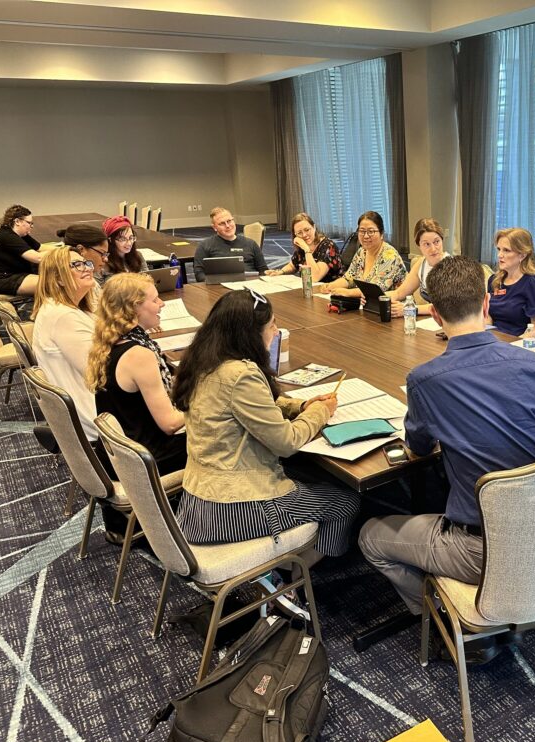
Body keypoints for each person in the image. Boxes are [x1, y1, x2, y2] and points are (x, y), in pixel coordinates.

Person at [358, 255, 535, 619]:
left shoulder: (424, 380)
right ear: (486, 305)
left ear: (434, 314)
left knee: (370, 536)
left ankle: (438, 618)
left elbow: (418, 448)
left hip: (478, 550)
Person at [170, 290, 360, 556]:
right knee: (346, 501)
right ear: (251, 333)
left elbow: (246, 407)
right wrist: (320, 411)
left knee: (311, 476)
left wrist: (301, 406)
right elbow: (287, 442)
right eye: (271, 324)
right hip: (233, 509)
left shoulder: (205, 361)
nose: (276, 330)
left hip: (198, 500)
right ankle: (311, 577)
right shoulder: (241, 374)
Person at [85, 273, 187, 474]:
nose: (162, 304)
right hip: (143, 460)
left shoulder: (110, 341)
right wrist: (204, 403)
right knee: (221, 436)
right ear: (134, 308)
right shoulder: (139, 355)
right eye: (155, 299)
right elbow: (170, 424)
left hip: (119, 452)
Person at [31, 245, 98, 439]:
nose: (87, 268)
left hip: (87, 407)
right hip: (95, 418)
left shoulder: (67, 308)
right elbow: (97, 374)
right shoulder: (63, 316)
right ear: (58, 278)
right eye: (76, 265)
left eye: (86, 263)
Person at [317, 211, 405, 298]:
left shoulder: (389, 255)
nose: (366, 236)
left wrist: (347, 292)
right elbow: (348, 278)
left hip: (394, 307)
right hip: (367, 305)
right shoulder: (362, 252)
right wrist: (331, 286)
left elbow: (374, 290)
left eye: (371, 231)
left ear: (381, 234)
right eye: (362, 231)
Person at [485, 228, 535, 338]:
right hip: (494, 340)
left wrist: (515, 344)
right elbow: (488, 316)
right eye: (499, 249)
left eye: (506, 250)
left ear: (522, 255)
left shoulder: (534, 283)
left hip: (517, 341)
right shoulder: (494, 280)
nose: (499, 255)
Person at [385, 218, 450, 317]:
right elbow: (399, 293)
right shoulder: (421, 263)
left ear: (442, 240)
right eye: (426, 244)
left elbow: (445, 306)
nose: (433, 249)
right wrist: (376, 297)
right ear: (419, 246)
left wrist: (409, 310)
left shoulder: (451, 266)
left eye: (436, 242)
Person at [193, 207, 269, 282]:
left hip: (250, 285)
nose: (227, 226)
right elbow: (199, 274)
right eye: (222, 223)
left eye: (229, 221)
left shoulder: (251, 244)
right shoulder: (204, 246)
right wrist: (212, 282)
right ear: (214, 227)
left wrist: (269, 274)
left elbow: (263, 270)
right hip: (219, 287)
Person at [0, 204, 43, 295]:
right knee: (55, 284)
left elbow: (40, 248)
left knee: (55, 279)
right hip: (2, 279)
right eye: (29, 223)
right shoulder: (8, 237)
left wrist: (66, 248)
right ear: (17, 221)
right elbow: (37, 258)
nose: (31, 226)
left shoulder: (13, 232)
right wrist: (63, 254)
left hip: (7, 273)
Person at [275, 212, 342, 283]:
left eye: (307, 230)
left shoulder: (328, 246)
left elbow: (314, 277)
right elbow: (293, 265)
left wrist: (307, 250)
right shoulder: (302, 245)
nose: (304, 235)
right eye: (299, 233)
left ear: (314, 227)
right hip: (309, 289)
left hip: (330, 289)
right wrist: (281, 272)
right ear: (295, 234)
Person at [97, 215, 147, 285]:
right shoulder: (102, 262)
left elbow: (148, 281)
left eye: (131, 238)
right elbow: (97, 291)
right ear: (110, 240)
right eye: (123, 239)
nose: (129, 243)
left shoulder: (138, 255)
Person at [56, 223, 110, 289]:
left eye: (106, 254)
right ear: (80, 249)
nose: (106, 259)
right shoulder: (76, 285)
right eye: (102, 253)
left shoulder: (92, 282)